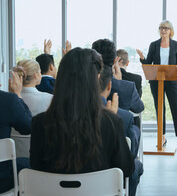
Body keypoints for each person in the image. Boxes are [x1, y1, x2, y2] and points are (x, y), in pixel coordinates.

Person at [30, 48, 138, 194]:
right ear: (96, 80)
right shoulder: (111, 122)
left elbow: (36, 169)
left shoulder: (39, 123)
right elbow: (126, 169)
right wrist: (111, 121)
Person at [136, 20, 177, 150]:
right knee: (159, 109)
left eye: (166, 28)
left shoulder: (176, 44)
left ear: (171, 30)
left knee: (175, 109)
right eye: (161, 28)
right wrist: (142, 58)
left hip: (172, 80)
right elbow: (149, 62)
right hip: (156, 80)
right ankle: (162, 137)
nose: (163, 30)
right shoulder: (154, 45)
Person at [99, 65, 143, 195]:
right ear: (109, 86)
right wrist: (112, 120)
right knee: (135, 168)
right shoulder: (124, 117)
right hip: (107, 182)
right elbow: (128, 167)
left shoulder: (44, 121)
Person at [11, 60, 52, 157]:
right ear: (35, 75)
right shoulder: (50, 99)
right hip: (41, 159)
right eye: (40, 72)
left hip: (14, 158)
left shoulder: (9, 100)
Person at [92, 39, 144, 114]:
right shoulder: (128, 87)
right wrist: (119, 82)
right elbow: (139, 108)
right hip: (121, 123)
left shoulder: (82, 82)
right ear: (114, 61)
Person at [0, 72, 32, 193]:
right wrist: (18, 95)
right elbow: (27, 127)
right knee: (28, 163)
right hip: (1, 179)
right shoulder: (7, 100)